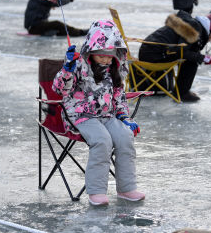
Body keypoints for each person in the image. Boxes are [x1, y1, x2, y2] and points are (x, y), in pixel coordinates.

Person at [52, 20, 145, 206]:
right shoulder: (77, 64)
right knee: (102, 140)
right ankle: (96, 191)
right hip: (80, 115)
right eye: (102, 56)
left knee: (125, 137)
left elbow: (119, 97)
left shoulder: (114, 69)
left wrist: (124, 117)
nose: (106, 60)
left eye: (110, 56)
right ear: (91, 51)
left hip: (107, 115)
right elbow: (59, 89)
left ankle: (126, 188)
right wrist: (67, 69)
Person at [138, 9, 211, 102]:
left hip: (150, 51)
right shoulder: (194, 28)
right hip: (154, 55)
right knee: (191, 62)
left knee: (190, 58)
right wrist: (202, 58)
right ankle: (182, 93)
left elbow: (183, 49)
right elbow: (181, 51)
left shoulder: (192, 24)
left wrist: (200, 57)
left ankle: (180, 91)